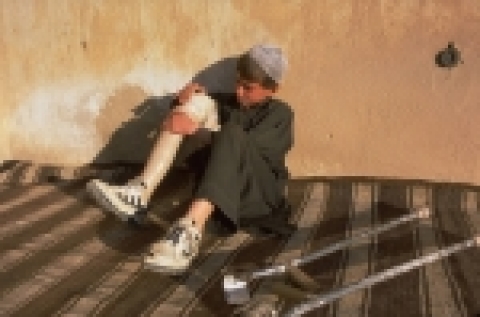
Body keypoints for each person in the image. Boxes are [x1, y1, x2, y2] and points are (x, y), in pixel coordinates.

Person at [87, 43, 294, 274]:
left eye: (248, 88)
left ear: (273, 89)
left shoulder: (281, 115)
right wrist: (181, 104)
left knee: (230, 133)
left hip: (258, 196)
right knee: (197, 103)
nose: (238, 92)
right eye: (237, 83)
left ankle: (189, 232)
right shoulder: (229, 103)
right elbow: (197, 116)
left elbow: (242, 149)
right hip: (226, 191)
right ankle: (140, 191)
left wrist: (196, 130)